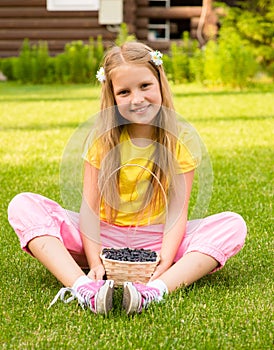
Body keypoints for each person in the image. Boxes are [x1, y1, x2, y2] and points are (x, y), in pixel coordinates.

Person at [7, 41, 247, 315]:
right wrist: (96, 262)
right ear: (112, 97)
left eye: (145, 86)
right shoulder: (102, 141)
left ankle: (154, 291)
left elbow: (177, 212)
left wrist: (166, 260)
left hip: (156, 239)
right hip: (100, 236)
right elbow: (88, 210)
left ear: (159, 82)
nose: (137, 99)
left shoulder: (180, 140)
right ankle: (83, 288)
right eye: (124, 91)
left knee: (232, 225)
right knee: (23, 204)